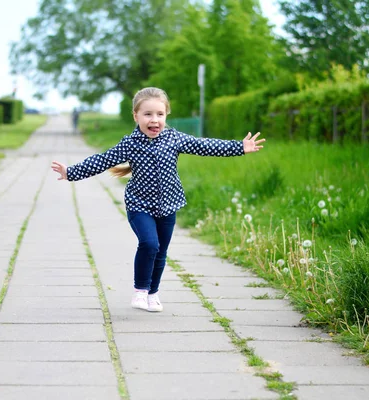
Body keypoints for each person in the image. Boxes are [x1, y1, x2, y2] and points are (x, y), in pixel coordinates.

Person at [51, 87, 265, 312]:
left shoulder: (174, 139)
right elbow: (103, 160)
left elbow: (205, 145)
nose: (154, 120)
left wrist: (238, 147)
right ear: (136, 116)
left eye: (159, 115)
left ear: (166, 115)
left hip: (168, 206)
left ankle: (153, 294)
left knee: (161, 252)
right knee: (149, 244)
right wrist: (72, 172)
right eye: (148, 114)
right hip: (139, 205)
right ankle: (141, 291)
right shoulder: (130, 143)